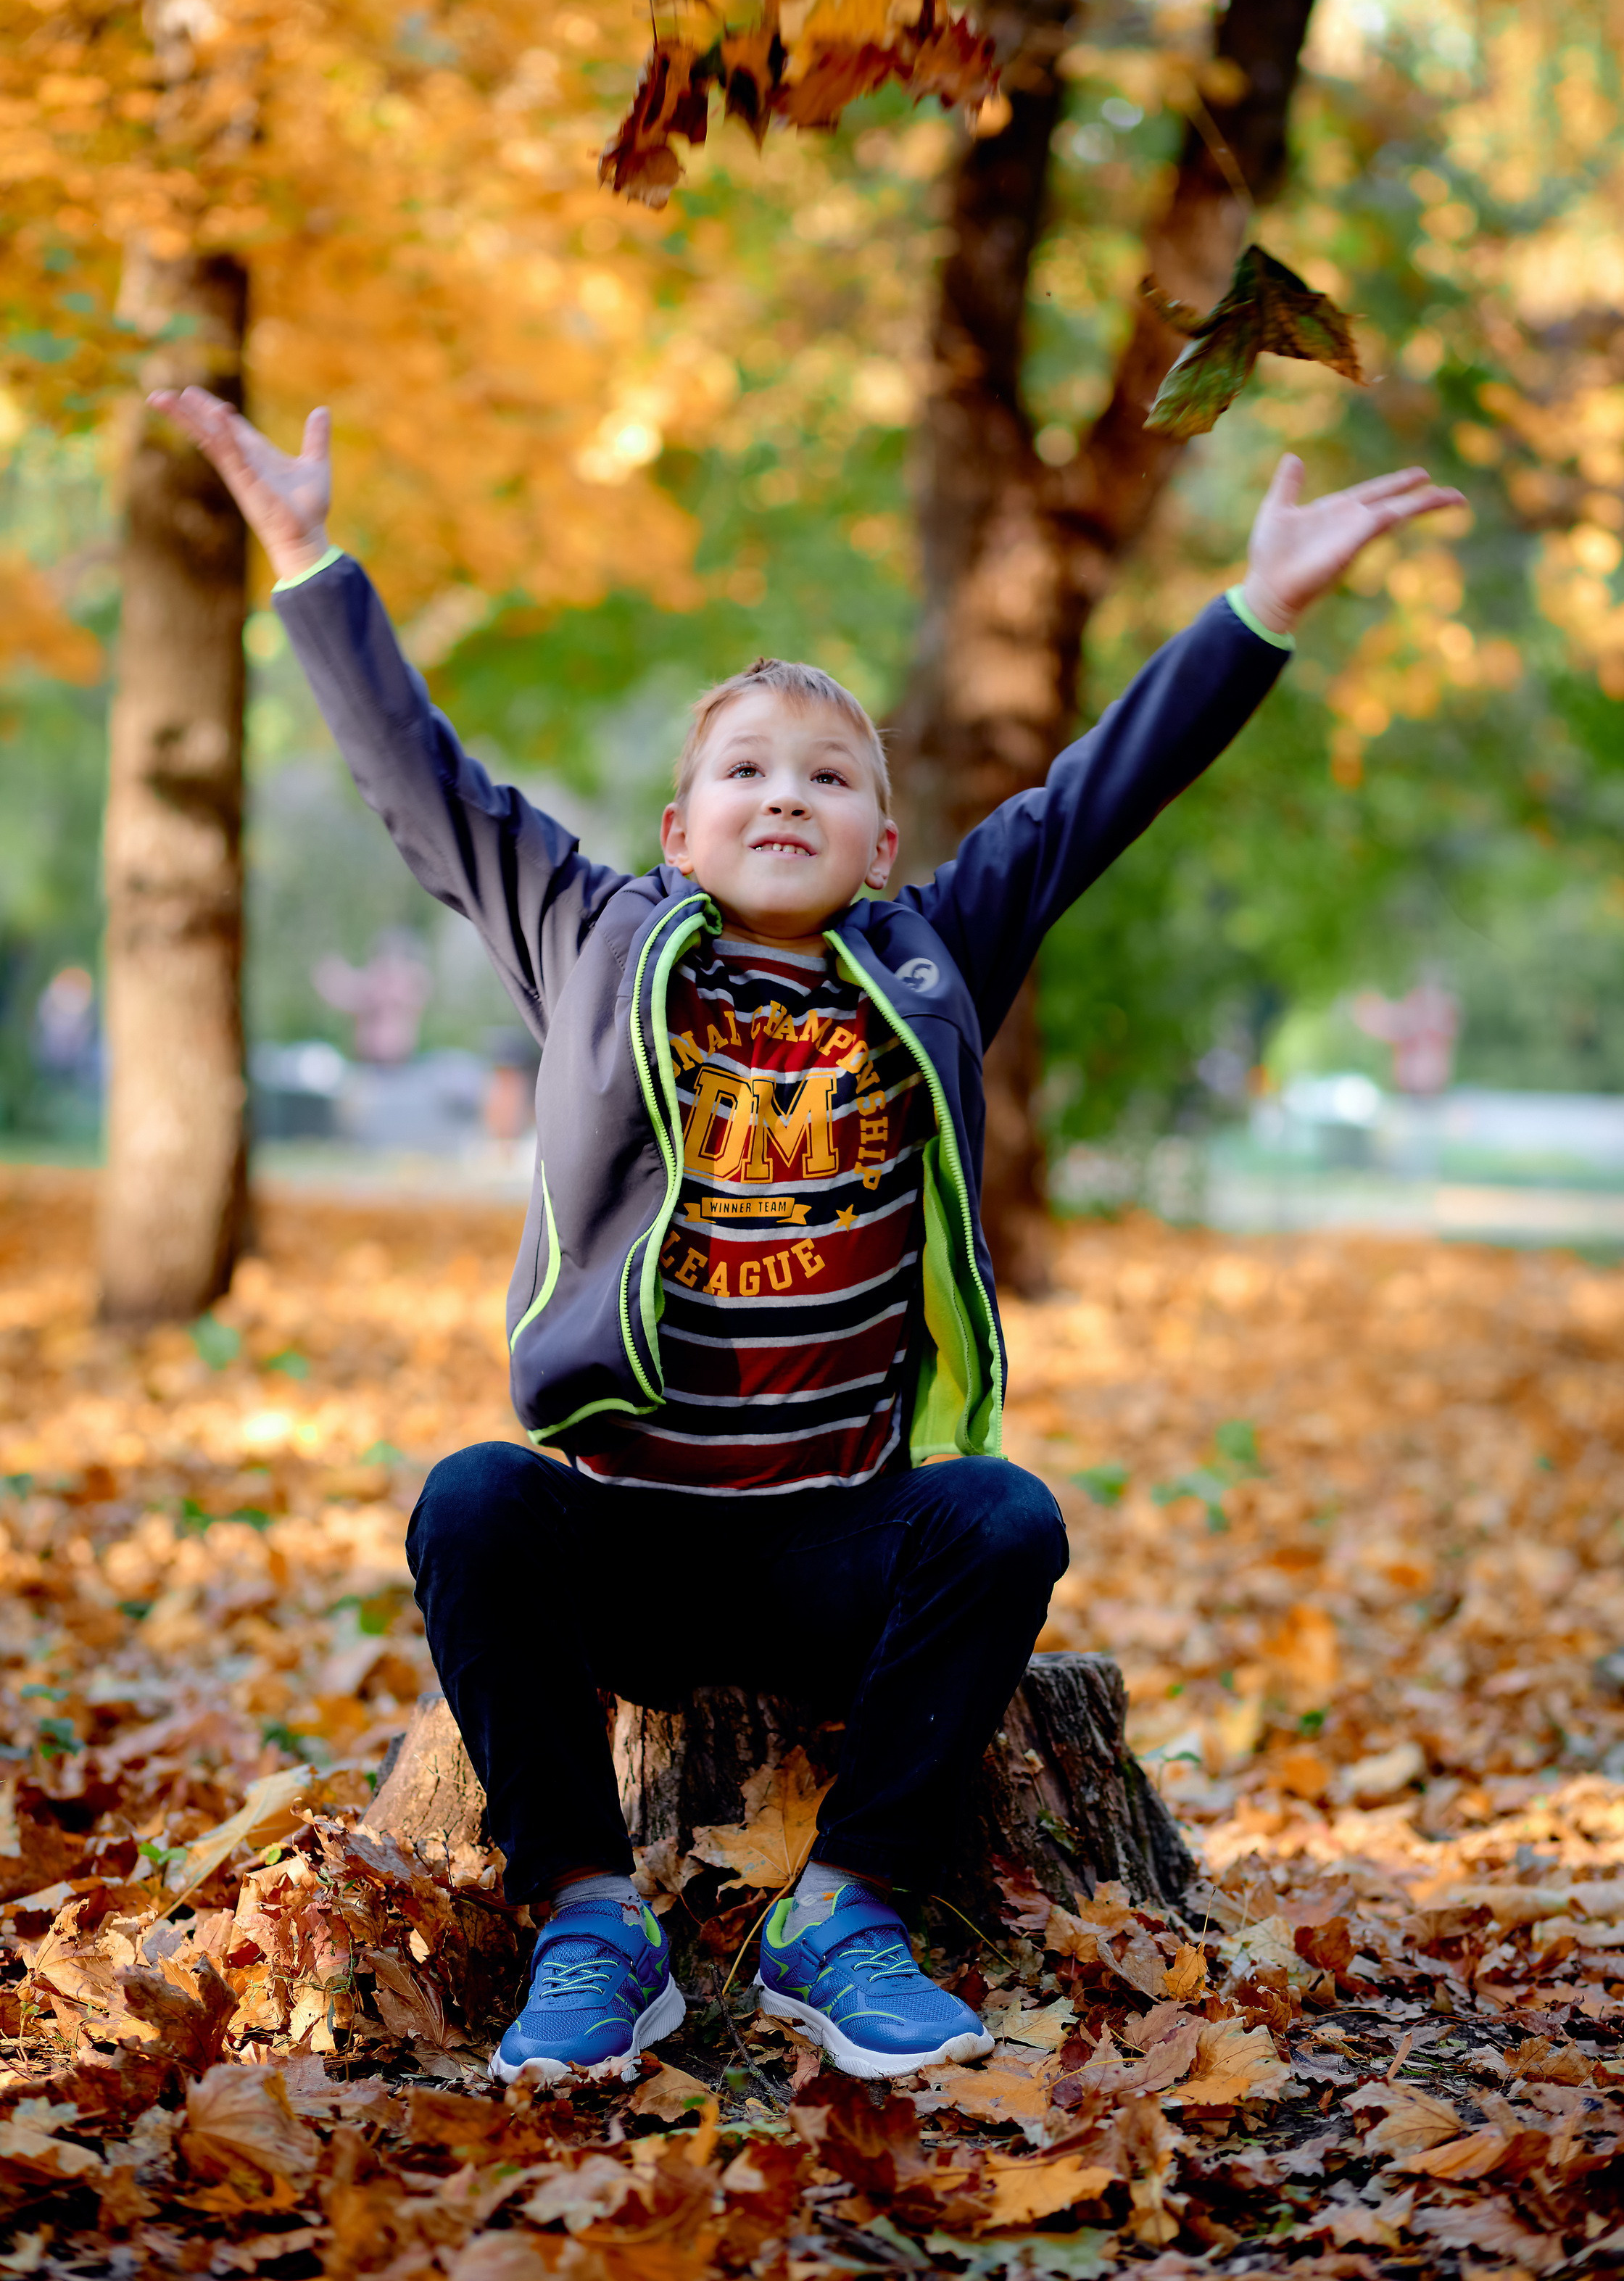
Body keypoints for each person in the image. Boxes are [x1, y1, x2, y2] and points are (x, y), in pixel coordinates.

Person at [152, 384, 1465, 2086]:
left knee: (1003, 1518)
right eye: (747, 770)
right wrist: (306, 556)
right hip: (629, 1538)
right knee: (472, 1501)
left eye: (830, 776)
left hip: (838, 1549)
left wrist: (1258, 607)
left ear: (881, 840)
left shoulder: (931, 956)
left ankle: (843, 1916)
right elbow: (426, 782)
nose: (788, 794)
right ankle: (588, 1921)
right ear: (680, 829)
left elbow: (1092, 800)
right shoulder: (590, 940)